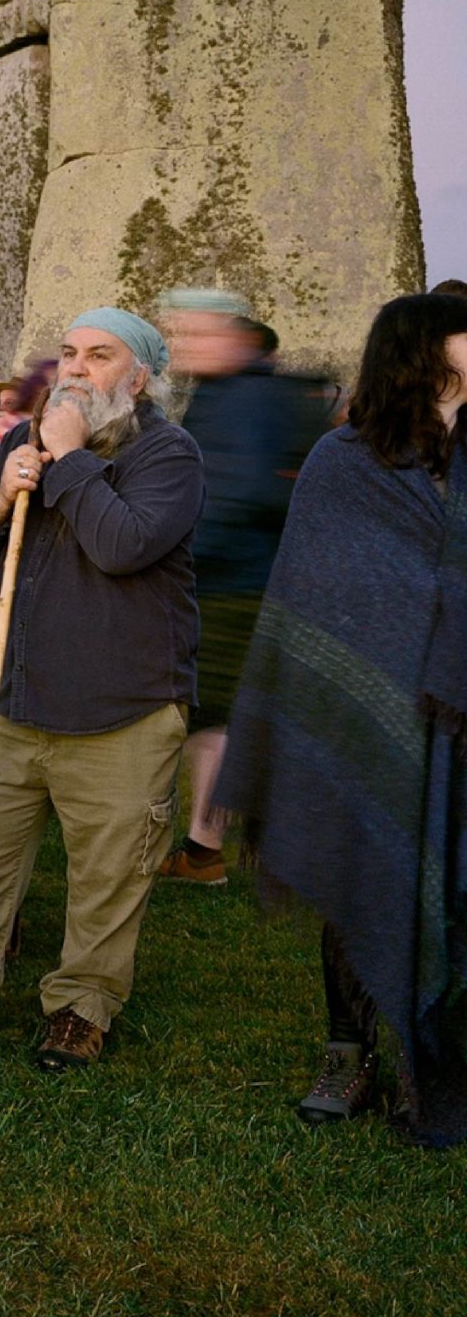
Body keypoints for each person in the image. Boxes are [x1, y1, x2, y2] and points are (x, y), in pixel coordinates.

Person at [0, 308, 204, 1069]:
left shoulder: (170, 454)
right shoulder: (25, 441)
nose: (77, 368)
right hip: (13, 706)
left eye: (100, 355)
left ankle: (81, 1007)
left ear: (141, 375)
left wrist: (72, 459)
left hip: (123, 712)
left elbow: (123, 546)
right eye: (69, 353)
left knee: (106, 874)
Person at [214, 292, 467, 1146]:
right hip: (372, 708)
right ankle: (348, 1051)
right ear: (424, 350)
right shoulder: (343, 461)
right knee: (361, 861)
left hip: (460, 715)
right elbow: (319, 596)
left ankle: (429, 1057)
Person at [154, 291, 306, 886]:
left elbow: (237, 494)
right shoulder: (229, 393)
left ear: (235, 337)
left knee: (212, 718)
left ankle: (204, 850)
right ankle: (217, 841)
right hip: (233, 579)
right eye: (180, 334)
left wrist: (179, 553)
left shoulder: (244, 400)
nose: (185, 345)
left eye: (197, 333)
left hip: (229, 584)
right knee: (218, 718)